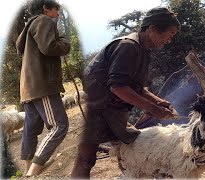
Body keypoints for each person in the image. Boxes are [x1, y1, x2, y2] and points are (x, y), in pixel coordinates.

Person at [70, 7, 180, 178]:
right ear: (152, 29)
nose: (170, 40)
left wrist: (158, 101)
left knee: (129, 151)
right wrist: (154, 109)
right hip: (97, 108)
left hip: (112, 109)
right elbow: (118, 87)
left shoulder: (142, 51)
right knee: (86, 159)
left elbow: (137, 87)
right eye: (170, 34)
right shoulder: (128, 47)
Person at [16, 0, 70, 176]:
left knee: (30, 129)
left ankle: (27, 170)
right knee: (59, 126)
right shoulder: (44, 20)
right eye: (56, 10)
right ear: (46, 9)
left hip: (29, 87)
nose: (58, 14)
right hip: (42, 85)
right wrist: (63, 42)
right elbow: (49, 47)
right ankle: (34, 170)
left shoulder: (28, 28)